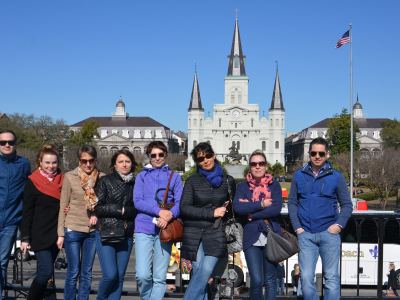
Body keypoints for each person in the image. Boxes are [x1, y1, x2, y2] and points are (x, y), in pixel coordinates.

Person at [288, 137, 353, 300]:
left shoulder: (337, 176)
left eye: (321, 153)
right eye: (314, 153)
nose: (317, 156)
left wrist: (338, 226)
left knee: (331, 278)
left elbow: (347, 204)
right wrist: (298, 228)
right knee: (306, 278)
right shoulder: (298, 175)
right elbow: (292, 202)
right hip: (306, 235)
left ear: (327, 154)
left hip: (329, 233)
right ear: (309, 153)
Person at [180, 142, 236, 300]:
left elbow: (234, 208)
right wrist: (212, 212)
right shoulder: (192, 181)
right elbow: (184, 208)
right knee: (198, 271)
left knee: (205, 270)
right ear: (196, 162)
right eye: (200, 159)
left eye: (208, 155)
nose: (206, 160)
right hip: (194, 232)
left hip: (216, 231)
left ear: (214, 155)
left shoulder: (228, 181)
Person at [134, 141, 183, 300]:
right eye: (153, 155)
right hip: (144, 226)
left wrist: (168, 216)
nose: (157, 158)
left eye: (160, 154)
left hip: (165, 229)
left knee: (159, 277)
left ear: (165, 155)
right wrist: (160, 212)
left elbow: (180, 202)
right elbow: (138, 201)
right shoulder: (141, 176)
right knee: (142, 275)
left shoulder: (174, 176)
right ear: (148, 156)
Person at [57, 145, 105, 300]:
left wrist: (95, 212)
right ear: (79, 161)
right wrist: (60, 234)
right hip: (73, 227)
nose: (88, 164)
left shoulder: (102, 177)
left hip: (92, 231)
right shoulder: (70, 176)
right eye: (84, 161)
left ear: (95, 159)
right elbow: (63, 205)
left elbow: (105, 204)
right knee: (73, 271)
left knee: (87, 272)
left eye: (91, 160)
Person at [233, 149, 282, 300]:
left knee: (270, 280)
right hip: (250, 237)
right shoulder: (242, 187)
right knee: (256, 280)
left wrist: (250, 212)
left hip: (271, 235)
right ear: (250, 167)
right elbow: (238, 207)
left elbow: (275, 209)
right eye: (254, 164)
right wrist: (261, 204)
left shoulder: (274, 186)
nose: (258, 166)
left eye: (261, 163)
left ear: (266, 166)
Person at [20, 145, 64, 299]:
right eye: (47, 163)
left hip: (56, 235)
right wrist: (25, 237)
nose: (51, 166)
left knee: (48, 274)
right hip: (39, 234)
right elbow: (27, 211)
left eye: (54, 163)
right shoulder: (33, 181)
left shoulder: (63, 180)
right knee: (45, 271)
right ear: (40, 162)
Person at [94, 149, 138, 300]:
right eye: (121, 161)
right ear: (115, 164)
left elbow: (138, 208)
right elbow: (98, 207)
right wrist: (121, 209)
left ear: (132, 164)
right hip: (107, 232)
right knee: (110, 275)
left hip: (126, 233)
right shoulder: (105, 180)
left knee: (119, 277)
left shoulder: (136, 183)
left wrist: (128, 211)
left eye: (127, 161)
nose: (124, 165)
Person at [0, 129, 30, 297]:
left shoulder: (24, 164)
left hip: (10, 223)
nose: (6, 145)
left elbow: (31, 190)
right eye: (3, 142)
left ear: (16, 144)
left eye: (10, 142)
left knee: (2, 263)